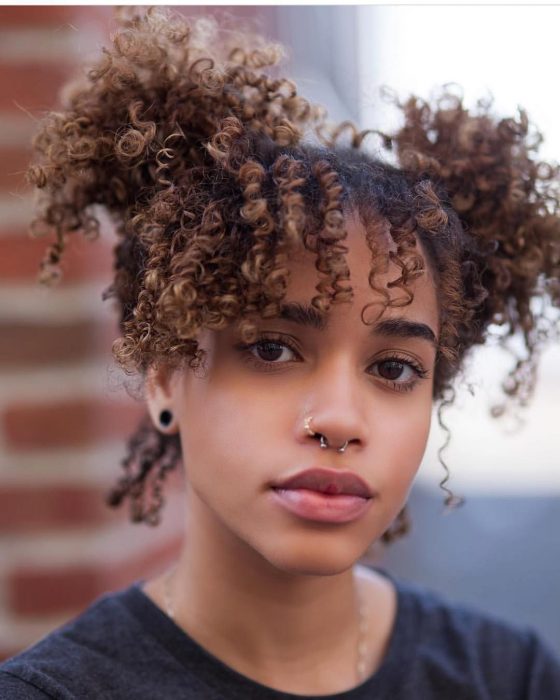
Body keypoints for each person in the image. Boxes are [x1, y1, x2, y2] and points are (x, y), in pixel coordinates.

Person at [1, 6, 560, 699]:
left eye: (394, 368)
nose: (338, 419)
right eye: (271, 348)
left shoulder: (510, 676)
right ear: (166, 374)